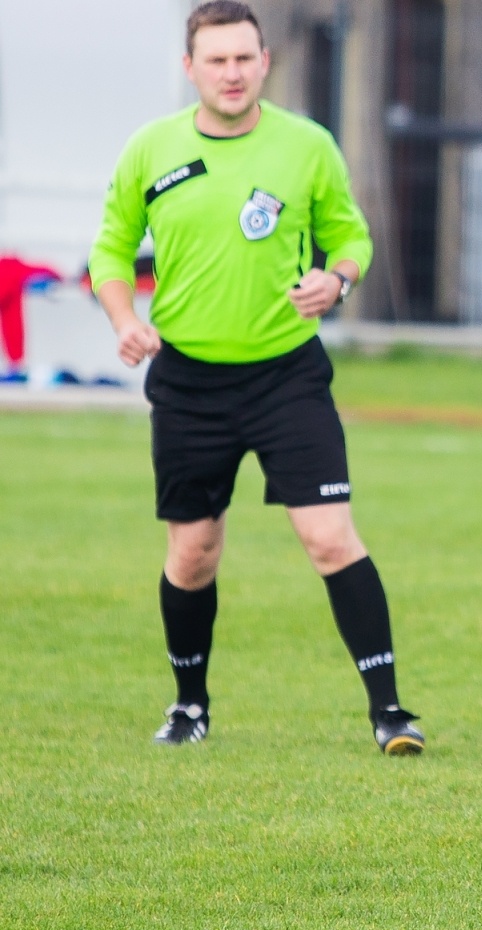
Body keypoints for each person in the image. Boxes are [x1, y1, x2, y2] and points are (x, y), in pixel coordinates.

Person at [87, 1, 423, 755]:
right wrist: (123, 321)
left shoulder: (307, 147)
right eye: (217, 60)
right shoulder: (151, 149)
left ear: (264, 61)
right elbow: (109, 251)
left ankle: (392, 712)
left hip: (287, 377)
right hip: (188, 384)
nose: (232, 73)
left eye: (245, 58)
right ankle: (189, 706)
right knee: (194, 552)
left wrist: (336, 281)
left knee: (330, 537)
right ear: (190, 68)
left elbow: (350, 236)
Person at [0, 256, 64, 382]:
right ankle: (16, 366)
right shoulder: (11, 270)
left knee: (13, 324)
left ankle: (16, 366)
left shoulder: (10, 270)